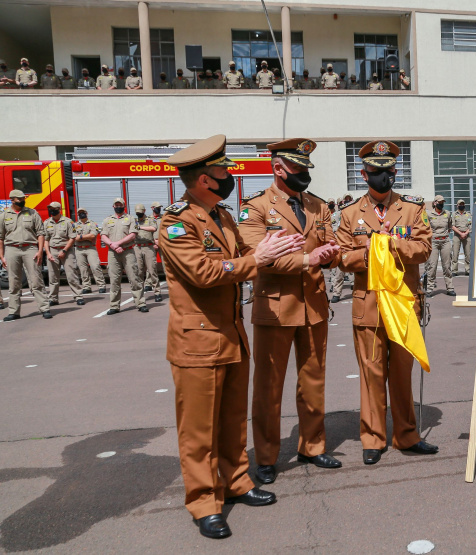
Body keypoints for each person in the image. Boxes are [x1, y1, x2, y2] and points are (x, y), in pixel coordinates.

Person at [159, 134, 304, 539]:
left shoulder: (222, 216)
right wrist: (257, 259)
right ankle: (205, 502)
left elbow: (245, 253)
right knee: (199, 429)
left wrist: (269, 246)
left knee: (232, 419)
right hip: (197, 341)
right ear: (205, 179)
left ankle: (237, 481)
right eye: (223, 172)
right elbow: (205, 274)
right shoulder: (176, 222)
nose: (229, 177)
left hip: (231, 335)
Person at [237, 138, 343, 484]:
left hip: (313, 304)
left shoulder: (318, 205)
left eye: (306, 168)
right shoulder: (254, 208)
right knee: (269, 387)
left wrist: (329, 253)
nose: (303, 175)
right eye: (297, 168)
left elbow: (327, 242)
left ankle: (312, 446)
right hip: (275, 307)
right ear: (277, 168)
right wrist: (307, 259)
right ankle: (266, 457)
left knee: (313, 382)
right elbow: (259, 256)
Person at [336, 140, 438, 465]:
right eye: (375, 171)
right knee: (371, 373)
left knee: (402, 374)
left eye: (388, 171)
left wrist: (391, 246)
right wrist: (369, 254)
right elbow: (340, 256)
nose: (382, 176)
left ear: (395, 172)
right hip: (368, 305)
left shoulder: (412, 208)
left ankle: (407, 435)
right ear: (364, 174)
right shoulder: (351, 213)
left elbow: (424, 248)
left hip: (404, 303)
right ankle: (373, 438)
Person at [0, 189, 52, 321]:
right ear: (12, 200)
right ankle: (14, 312)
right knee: (14, 281)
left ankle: (44, 308)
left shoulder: (32, 213)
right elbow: (0, 237)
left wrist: (40, 251)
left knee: (36, 279)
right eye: (19, 199)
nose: (22, 201)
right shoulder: (4, 215)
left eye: (23, 199)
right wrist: (1, 255)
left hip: (30, 248)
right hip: (11, 249)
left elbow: (41, 233)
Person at [100, 197, 148, 314]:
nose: (118, 206)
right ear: (113, 206)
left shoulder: (130, 218)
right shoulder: (107, 220)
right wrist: (112, 245)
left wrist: (118, 243)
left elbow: (132, 235)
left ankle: (140, 303)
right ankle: (114, 306)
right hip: (113, 253)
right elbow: (103, 235)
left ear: (124, 205)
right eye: (116, 205)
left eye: (120, 205)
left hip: (128, 252)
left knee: (134, 278)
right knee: (114, 280)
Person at [43, 202, 84, 306]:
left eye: (53, 208)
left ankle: (78, 296)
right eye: (50, 208)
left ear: (58, 209)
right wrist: (48, 253)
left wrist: (64, 250)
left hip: (66, 251)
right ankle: (53, 298)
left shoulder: (68, 222)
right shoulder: (47, 222)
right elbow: (46, 240)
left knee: (71, 275)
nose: (51, 210)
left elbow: (72, 238)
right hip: (52, 250)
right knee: (53, 277)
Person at [424, 195, 455, 296]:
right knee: (432, 266)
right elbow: (425, 228)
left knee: (447, 265)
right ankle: (429, 289)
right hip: (434, 242)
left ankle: (450, 288)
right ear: (435, 203)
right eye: (439, 202)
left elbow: (450, 226)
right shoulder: (429, 214)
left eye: (443, 202)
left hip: (445, 241)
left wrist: (444, 234)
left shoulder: (448, 214)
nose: (441, 204)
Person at [74, 207, 107, 293]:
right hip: (79, 250)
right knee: (83, 269)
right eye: (80, 213)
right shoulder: (74, 225)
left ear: (86, 213)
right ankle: (86, 287)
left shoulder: (92, 224)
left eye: (83, 212)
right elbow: (73, 237)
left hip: (90, 248)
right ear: (77, 214)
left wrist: (80, 237)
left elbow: (93, 236)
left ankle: (101, 286)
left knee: (95, 266)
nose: (81, 214)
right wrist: (86, 237)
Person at [134, 204, 161, 302]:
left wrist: (140, 228)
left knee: (152, 270)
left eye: (140, 213)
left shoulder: (150, 219)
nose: (139, 214)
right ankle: (139, 296)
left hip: (148, 247)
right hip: (137, 247)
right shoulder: (134, 221)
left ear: (144, 211)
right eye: (137, 213)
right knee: (139, 271)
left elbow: (153, 228)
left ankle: (157, 292)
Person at [329, 199, 345, 302]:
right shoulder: (335, 215)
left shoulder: (352, 214)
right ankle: (336, 293)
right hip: (338, 244)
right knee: (338, 271)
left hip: (348, 246)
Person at [451, 199, 472, 275]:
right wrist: (460, 233)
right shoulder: (454, 214)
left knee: (468, 254)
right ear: (457, 205)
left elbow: (470, 225)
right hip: (457, 235)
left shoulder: (468, 214)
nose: (461, 206)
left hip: (467, 235)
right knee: (455, 253)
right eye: (460, 204)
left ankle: (468, 270)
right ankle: (454, 270)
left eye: (463, 204)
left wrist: (465, 233)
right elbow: (452, 226)